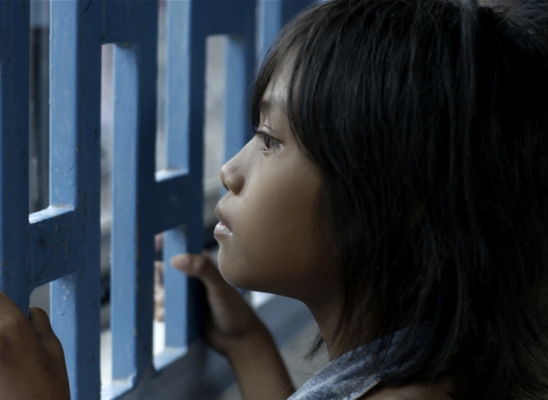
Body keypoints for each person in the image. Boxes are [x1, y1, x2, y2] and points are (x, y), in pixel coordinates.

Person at [2, 0, 548, 398]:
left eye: (268, 139)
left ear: (402, 203)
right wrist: (247, 344)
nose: (230, 171)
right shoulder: (429, 366)